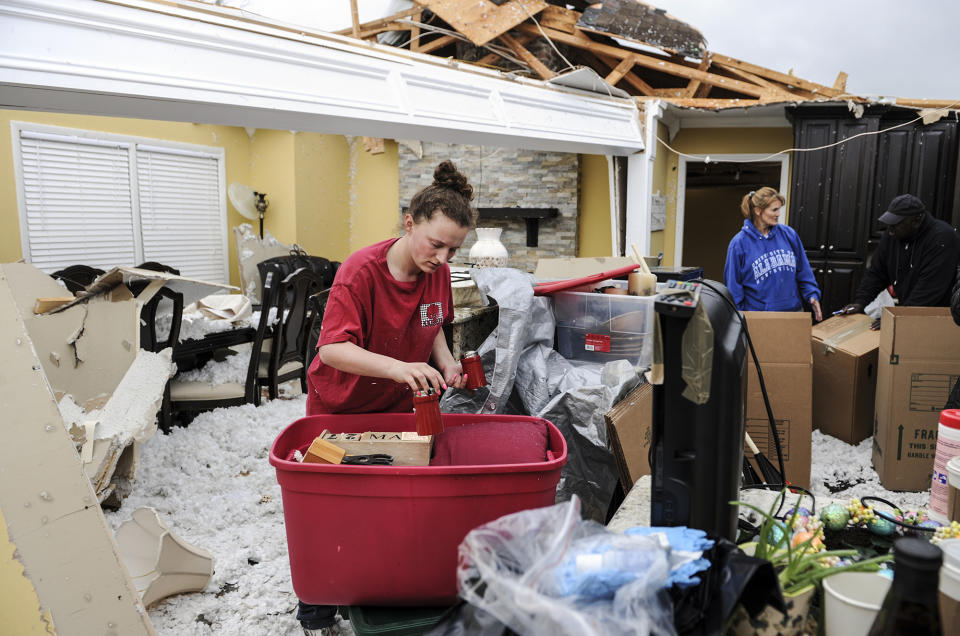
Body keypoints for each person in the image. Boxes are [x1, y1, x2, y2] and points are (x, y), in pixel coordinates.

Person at [306, 160, 475, 416]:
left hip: (398, 406)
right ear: (410, 224)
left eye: (452, 249)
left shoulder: (439, 272)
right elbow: (331, 350)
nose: (443, 258)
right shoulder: (360, 271)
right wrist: (398, 368)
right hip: (343, 408)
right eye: (436, 244)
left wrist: (447, 364)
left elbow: (431, 320)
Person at [840, 194, 960, 319]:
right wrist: (860, 302)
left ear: (916, 220)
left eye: (895, 224)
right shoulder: (894, 235)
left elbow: (929, 289)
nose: (890, 231)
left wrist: (898, 318)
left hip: (937, 318)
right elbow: (876, 273)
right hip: (909, 314)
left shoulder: (943, 238)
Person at [723, 187, 822, 321]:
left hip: (793, 314)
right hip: (759, 318)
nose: (778, 214)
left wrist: (812, 294)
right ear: (758, 211)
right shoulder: (739, 244)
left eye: (779, 209)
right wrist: (739, 319)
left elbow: (803, 270)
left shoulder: (789, 234)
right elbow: (734, 287)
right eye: (774, 210)